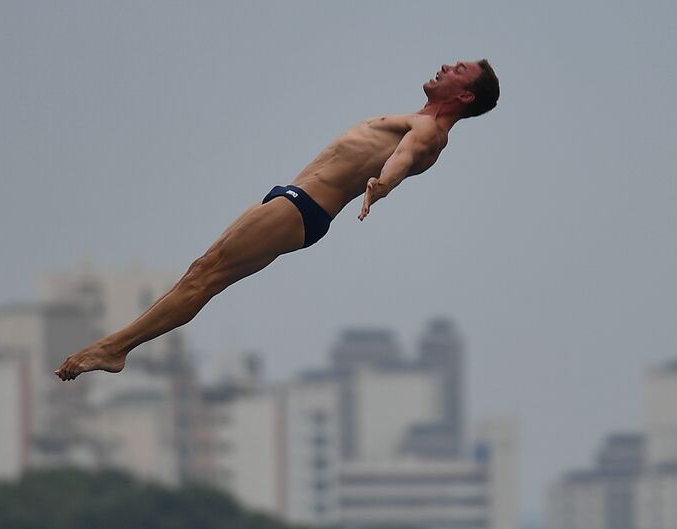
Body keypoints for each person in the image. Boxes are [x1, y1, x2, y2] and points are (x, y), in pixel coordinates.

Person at [55, 59, 500, 380]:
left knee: (204, 277)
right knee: (202, 273)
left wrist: (382, 185)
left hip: (302, 209)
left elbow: (404, 158)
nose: (444, 65)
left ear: (464, 95)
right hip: (292, 201)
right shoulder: (419, 120)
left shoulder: (429, 132)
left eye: (457, 70)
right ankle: (118, 346)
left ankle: (115, 348)